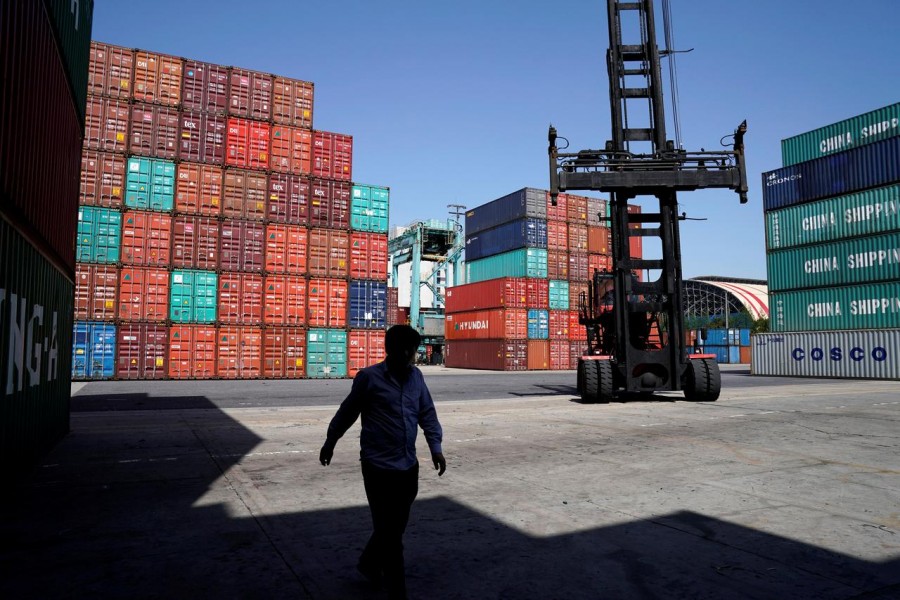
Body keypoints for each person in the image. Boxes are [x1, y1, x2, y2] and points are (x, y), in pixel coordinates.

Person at [319, 324, 446, 600]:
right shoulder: (369, 378)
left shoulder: (417, 378)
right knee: (392, 539)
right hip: (377, 469)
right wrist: (331, 440)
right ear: (401, 351)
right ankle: (397, 592)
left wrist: (435, 447)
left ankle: (367, 562)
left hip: (408, 467)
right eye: (412, 351)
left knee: (393, 527)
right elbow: (348, 412)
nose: (415, 357)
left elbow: (427, 412)